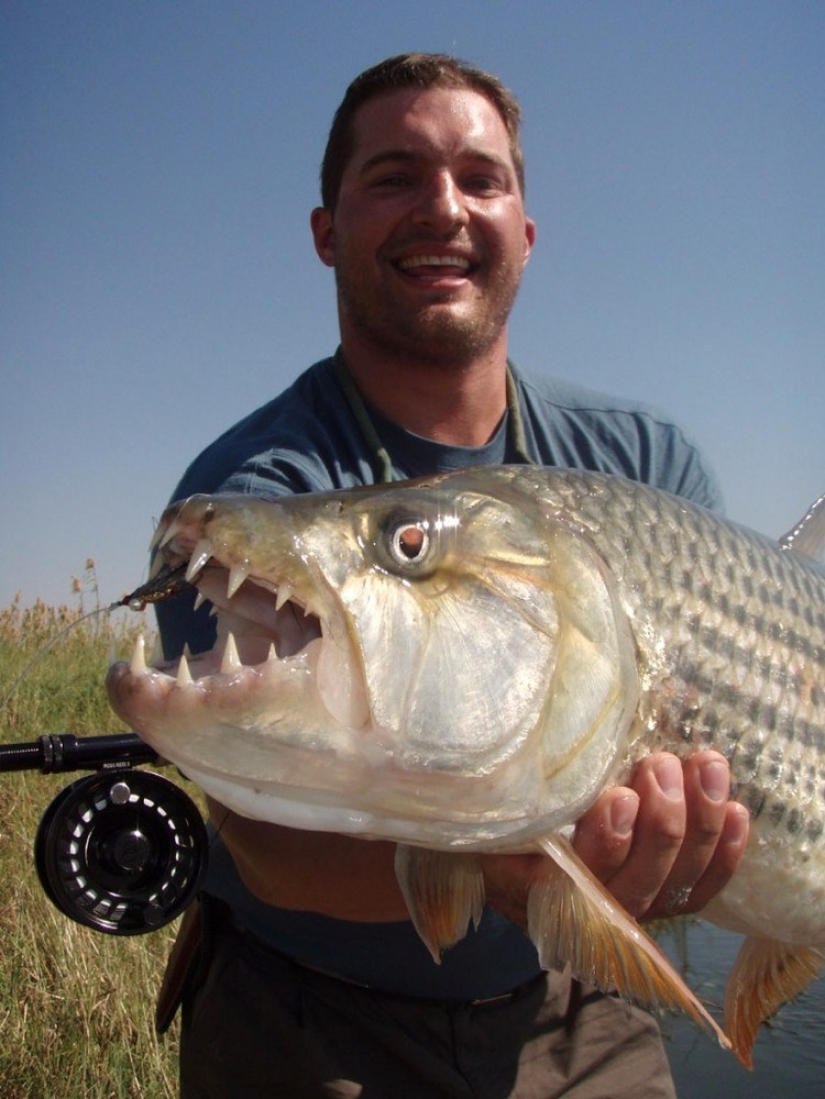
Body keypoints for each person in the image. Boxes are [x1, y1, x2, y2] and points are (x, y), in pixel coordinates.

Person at [155, 53, 750, 1098]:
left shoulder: (649, 467)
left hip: (576, 1011)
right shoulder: (261, 495)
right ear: (325, 231)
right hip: (307, 1015)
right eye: (393, 177)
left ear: (525, 230)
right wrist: (509, 867)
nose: (443, 208)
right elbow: (265, 842)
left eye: (481, 179)